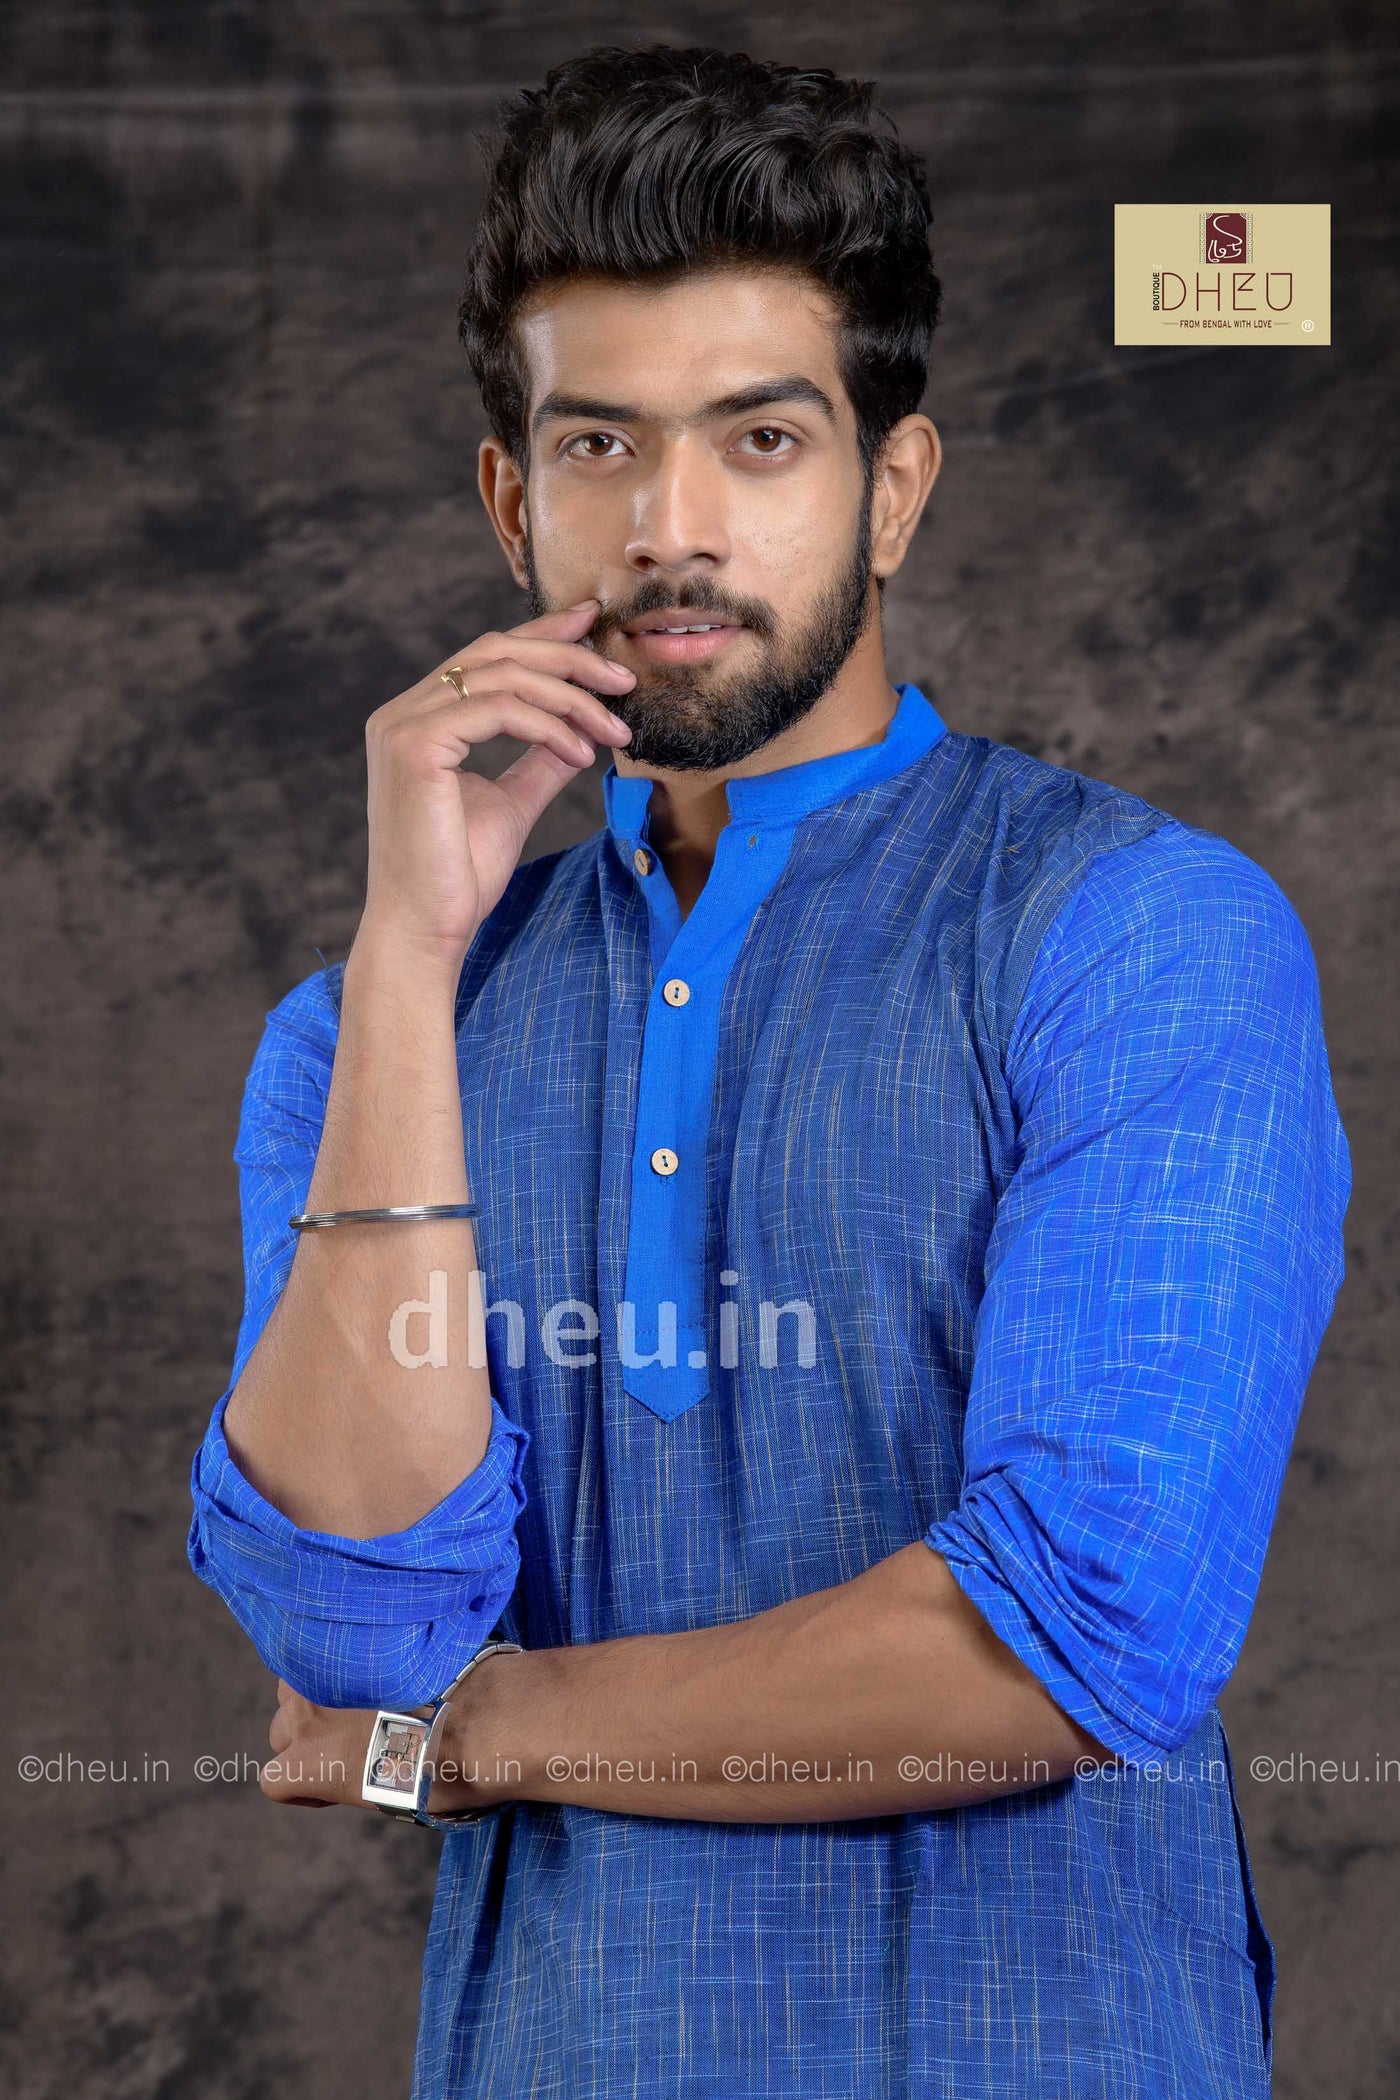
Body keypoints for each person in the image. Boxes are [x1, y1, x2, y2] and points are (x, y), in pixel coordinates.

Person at [187, 42, 1351, 2100]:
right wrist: (408, 955)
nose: (673, 528)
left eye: (762, 438)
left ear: (891, 489)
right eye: (600, 446)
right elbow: (358, 1640)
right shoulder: (368, 1034)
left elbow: (1067, 1642)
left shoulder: (1136, 933)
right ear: (512, 498)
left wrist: (478, 1736)